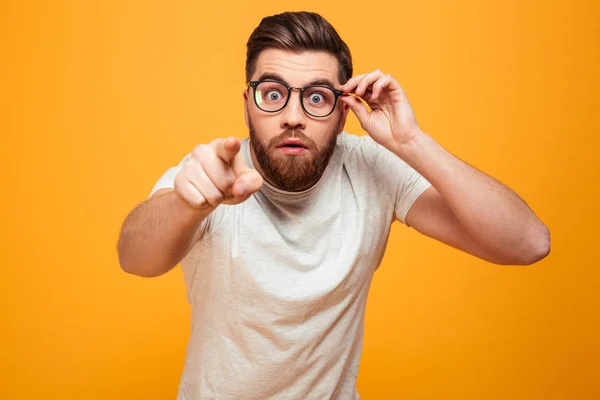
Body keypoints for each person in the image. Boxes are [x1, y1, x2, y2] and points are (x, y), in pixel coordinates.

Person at [117, 11, 550, 400]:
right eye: (272, 94)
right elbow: (134, 257)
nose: (292, 116)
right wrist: (188, 206)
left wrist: (412, 143)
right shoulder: (214, 173)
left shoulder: (373, 168)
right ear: (248, 105)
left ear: (344, 114)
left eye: (317, 97)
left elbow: (527, 243)